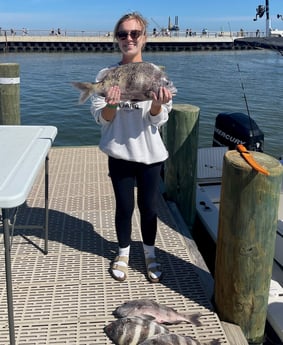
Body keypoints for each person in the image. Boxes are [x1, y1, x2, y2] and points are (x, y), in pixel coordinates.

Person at [90, 12, 173, 283]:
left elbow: (158, 120)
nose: (128, 38)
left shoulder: (156, 74)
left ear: (144, 38)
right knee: (124, 207)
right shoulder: (106, 75)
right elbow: (102, 119)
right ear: (117, 39)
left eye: (134, 33)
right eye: (123, 34)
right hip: (120, 154)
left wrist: (159, 103)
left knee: (149, 208)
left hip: (150, 155)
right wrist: (112, 103)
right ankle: (123, 253)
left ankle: (149, 253)